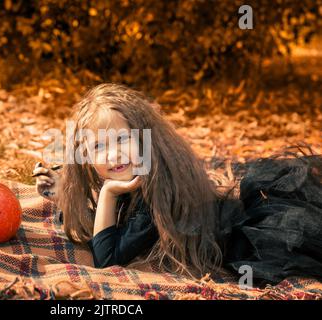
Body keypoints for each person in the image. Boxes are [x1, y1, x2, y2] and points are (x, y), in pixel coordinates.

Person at [32, 83, 322, 286]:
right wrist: (61, 186)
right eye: (97, 147)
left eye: (122, 139)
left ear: (148, 139)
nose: (112, 154)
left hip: (247, 239)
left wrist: (108, 193)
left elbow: (106, 260)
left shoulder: (155, 195)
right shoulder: (131, 175)